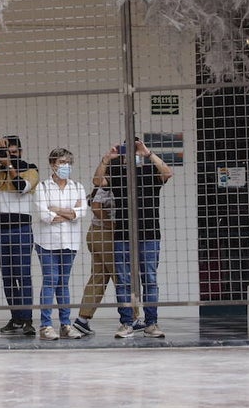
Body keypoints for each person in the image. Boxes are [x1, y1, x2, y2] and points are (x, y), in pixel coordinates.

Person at [95, 136, 173, 339]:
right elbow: (97, 181)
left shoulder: (149, 171)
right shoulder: (118, 173)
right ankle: (126, 323)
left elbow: (167, 173)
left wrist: (147, 153)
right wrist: (106, 159)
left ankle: (151, 323)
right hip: (123, 235)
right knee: (123, 280)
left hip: (149, 234)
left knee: (150, 279)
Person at [0, 135, 40, 336]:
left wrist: (10, 166)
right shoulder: (0, 171)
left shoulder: (31, 170)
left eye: (13, 152)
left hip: (20, 229)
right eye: (7, 152)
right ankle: (16, 318)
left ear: (20, 151)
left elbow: (21, 187)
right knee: (8, 276)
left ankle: (27, 319)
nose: (9, 156)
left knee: (23, 275)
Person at [32, 149, 86, 341]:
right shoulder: (43, 187)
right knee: (50, 279)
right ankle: (45, 326)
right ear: (52, 163)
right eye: (62, 162)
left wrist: (57, 210)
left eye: (69, 162)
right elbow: (45, 216)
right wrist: (69, 213)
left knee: (63, 282)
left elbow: (81, 213)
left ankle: (65, 324)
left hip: (70, 242)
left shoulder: (77, 187)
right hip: (47, 242)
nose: (65, 166)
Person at [70, 180, 117, 337]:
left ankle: (82, 319)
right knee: (122, 276)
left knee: (98, 277)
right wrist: (113, 226)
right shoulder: (110, 183)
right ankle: (133, 318)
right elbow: (96, 207)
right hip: (106, 235)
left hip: (96, 232)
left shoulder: (104, 184)